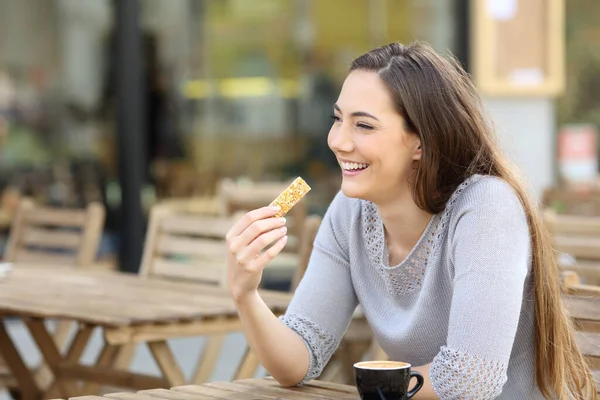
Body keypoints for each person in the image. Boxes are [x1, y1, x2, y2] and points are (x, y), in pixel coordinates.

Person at [225, 42, 597, 399]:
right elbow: (296, 362)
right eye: (337, 119)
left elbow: (471, 380)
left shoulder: (486, 208)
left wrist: (376, 387)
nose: (338, 141)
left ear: (420, 141)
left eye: (364, 126)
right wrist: (246, 293)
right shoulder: (349, 212)